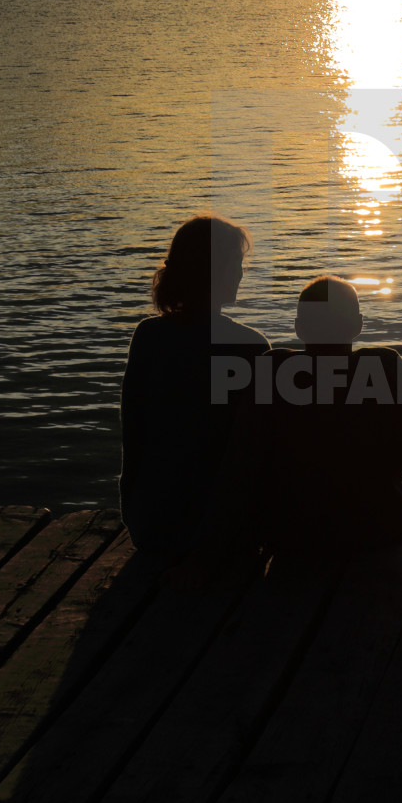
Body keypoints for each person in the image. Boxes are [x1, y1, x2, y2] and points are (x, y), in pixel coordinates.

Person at [221, 275, 402, 576]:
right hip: (376, 535)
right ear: (358, 325)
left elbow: (239, 469)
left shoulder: (271, 370)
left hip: (296, 541)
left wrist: (209, 553)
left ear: (299, 328)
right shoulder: (385, 368)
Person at [119, 213, 269, 565]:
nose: (242, 273)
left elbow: (133, 431)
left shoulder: (149, 336)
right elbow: (254, 453)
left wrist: (135, 511)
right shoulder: (250, 347)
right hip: (220, 535)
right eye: (237, 263)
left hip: (151, 527)